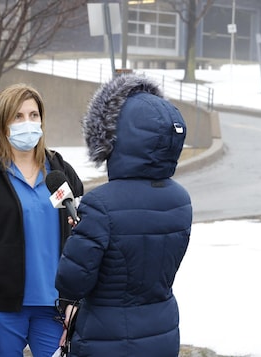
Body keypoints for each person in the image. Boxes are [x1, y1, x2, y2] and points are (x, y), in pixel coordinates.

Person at [55, 74, 192, 357]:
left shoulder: (100, 204)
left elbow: (72, 281)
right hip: (162, 333)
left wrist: (78, 237)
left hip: (108, 339)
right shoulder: (180, 200)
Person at [0, 83, 84, 357]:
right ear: (2, 124)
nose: (28, 123)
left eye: (33, 115)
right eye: (18, 116)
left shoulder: (60, 173)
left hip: (55, 311)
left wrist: (78, 301)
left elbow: (84, 244)